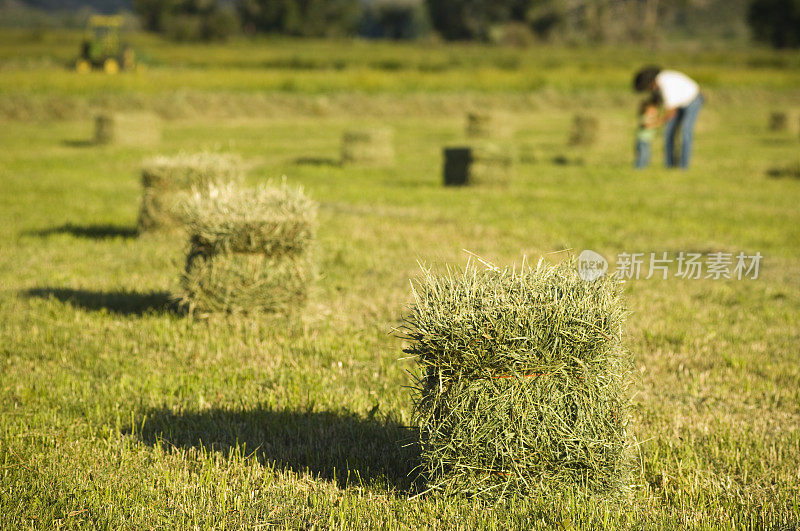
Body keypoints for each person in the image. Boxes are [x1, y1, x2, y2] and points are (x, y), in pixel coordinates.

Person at [633, 66, 704, 169]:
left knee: (686, 131)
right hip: (679, 102)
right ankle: (669, 165)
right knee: (668, 132)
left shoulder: (665, 85)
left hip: (693, 99)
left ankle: (683, 166)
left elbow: (671, 113)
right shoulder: (660, 81)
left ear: (650, 83)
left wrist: (654, 123)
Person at [634, 95, 660, 169]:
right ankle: (639, 167)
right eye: (652, 110)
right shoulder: (645, 117)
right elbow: (646, 125)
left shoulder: (652, 118)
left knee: (647, 154)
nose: (654, 111)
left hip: (647, 140)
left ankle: (644, 167)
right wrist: (656, 123)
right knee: (642, 154)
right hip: (642, 140)